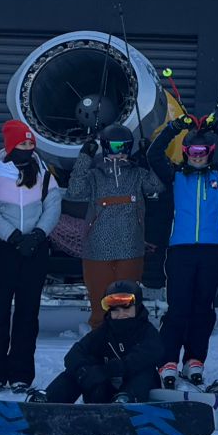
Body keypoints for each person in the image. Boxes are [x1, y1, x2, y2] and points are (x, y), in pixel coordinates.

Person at [147, 115, 218, 389]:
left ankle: (195, 358)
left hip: (211, 250)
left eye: (203, 153)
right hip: (180, 250)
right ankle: (169, 361)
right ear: (185, 153)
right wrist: (174, 128)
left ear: (210, 154)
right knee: (178, 307)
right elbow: (154, 154)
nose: (198, 157)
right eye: (193, 152)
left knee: (203, 308)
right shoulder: (175, 176)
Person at [0, 119, 60, 394]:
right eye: (22, 144)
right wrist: (12, 236)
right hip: (4, 250)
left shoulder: (45, 175)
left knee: (28, 315)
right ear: (10, 146)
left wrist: (37, 235)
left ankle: (21, 373)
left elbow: (52, 207)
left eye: (30, 144)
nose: (27, 148)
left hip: (34, 251)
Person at [65, 122, 163, 328]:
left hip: (130, 248)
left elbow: (157, 186)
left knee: (126, 303)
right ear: (105, 146)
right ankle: (100, 349)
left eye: (124, 147)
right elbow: (74, 191)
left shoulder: (137, 173)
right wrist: (85, 157)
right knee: (100, 306)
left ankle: (127, 348)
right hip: (97, 249)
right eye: (114, 147)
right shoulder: (94, 175)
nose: (119, 153)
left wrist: (150, 157)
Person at [31, 283, 162, 404]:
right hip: (103, 393)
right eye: (115, 310)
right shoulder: (103, 331)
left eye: (126, 308)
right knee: (75, 372)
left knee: (145, 371)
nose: (121, 314)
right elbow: (75, 353)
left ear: (137, 307)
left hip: (137, 394)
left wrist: (108, 370)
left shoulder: (147, 331)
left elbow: (148, 355)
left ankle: (125, 403)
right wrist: (84, 372)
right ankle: (48, 401)